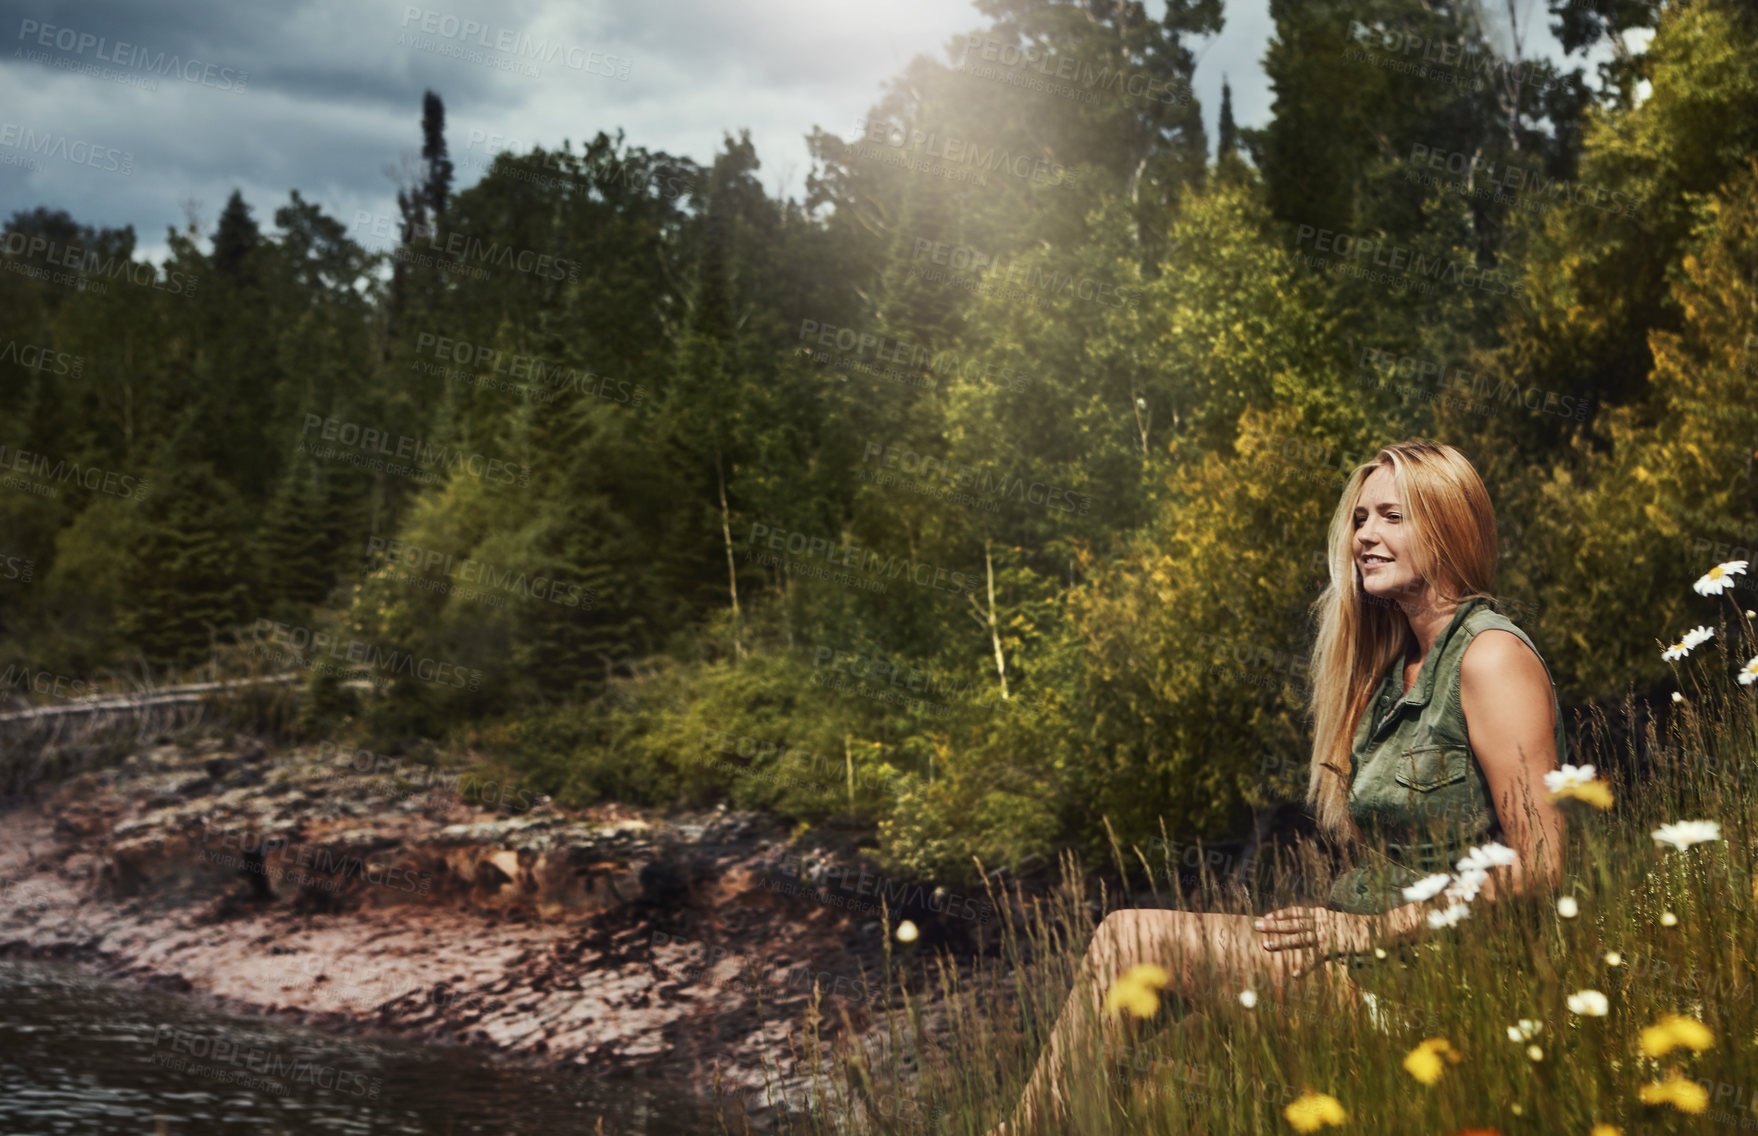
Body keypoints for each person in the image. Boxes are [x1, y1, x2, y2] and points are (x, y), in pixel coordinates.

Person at [992, 441, 1568, 1133]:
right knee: (1148, 1091)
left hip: (1431, 989)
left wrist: (1371, 932)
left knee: (1127, 940)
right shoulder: (1399, 668)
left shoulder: (1491, 658)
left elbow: (1542, 864)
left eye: (1391, 516)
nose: (1364, 537)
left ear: (1448, 527)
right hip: (1363, 962)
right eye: (1360, 519)